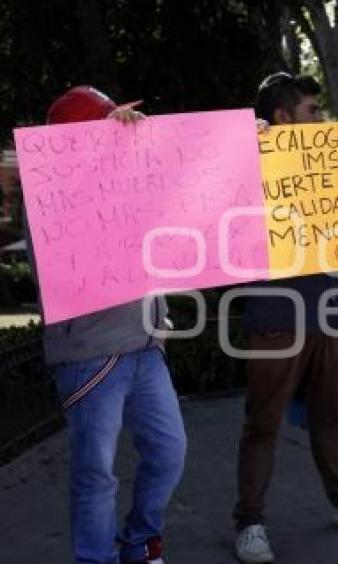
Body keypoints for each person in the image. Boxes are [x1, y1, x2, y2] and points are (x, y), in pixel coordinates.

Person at [232, 72, 338, 564]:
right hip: (274, 313)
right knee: (263, 423)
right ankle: (250, 523)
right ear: (282, 117)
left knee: (331, 415)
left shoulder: (327, 158)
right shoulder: (245, 160)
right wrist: (247, 149)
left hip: (328, 306)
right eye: (312, 110)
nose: (321, 118)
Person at [34, 86, 187, 564]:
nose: (119, 127)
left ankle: (140, 542)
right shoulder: (51, 193)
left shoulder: (126, 177)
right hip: (91, 358)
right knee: (96, 476)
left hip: (144, 347)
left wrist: (255, 143)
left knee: (168, 453)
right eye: (105, 122)